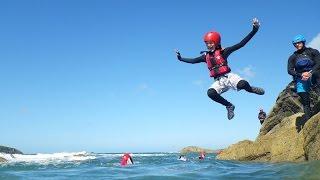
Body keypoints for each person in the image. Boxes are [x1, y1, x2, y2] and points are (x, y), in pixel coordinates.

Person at [176, 18, 264, 120]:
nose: (208, 45)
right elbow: (193, 60)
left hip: (229, 77)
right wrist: (180, 59)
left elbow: (241, 44)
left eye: (210, 43)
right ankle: (229, 106)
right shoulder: (205, 57)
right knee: (210, 93)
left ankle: (251, 89)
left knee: (243, 84)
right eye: (207, 43)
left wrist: (254, 30)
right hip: (218, 81)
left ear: (216, 42)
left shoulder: (224, 52)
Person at [287, 34, 320, 119]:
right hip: (301, 77)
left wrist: (310, 73)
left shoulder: (313, 52)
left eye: (298, 42)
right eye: (295, 44)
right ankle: (308, 119)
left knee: (317, 75)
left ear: (303, 42)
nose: (297, 45)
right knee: (305, 99)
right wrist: (301, 74)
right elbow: (290, 70)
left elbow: (318, 63)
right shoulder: (292, 57)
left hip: (314, 73)